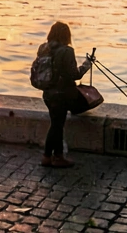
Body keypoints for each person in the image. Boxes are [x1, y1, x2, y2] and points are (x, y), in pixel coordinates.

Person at [37, 21, 92, 169]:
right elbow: (74, 74)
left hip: (48, 94)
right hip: (61, 95)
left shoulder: (43, 48)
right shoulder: (67, 51)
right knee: (56, 126)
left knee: (56, 124)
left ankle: (56, 156)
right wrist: (87, 64)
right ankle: (48, 156)